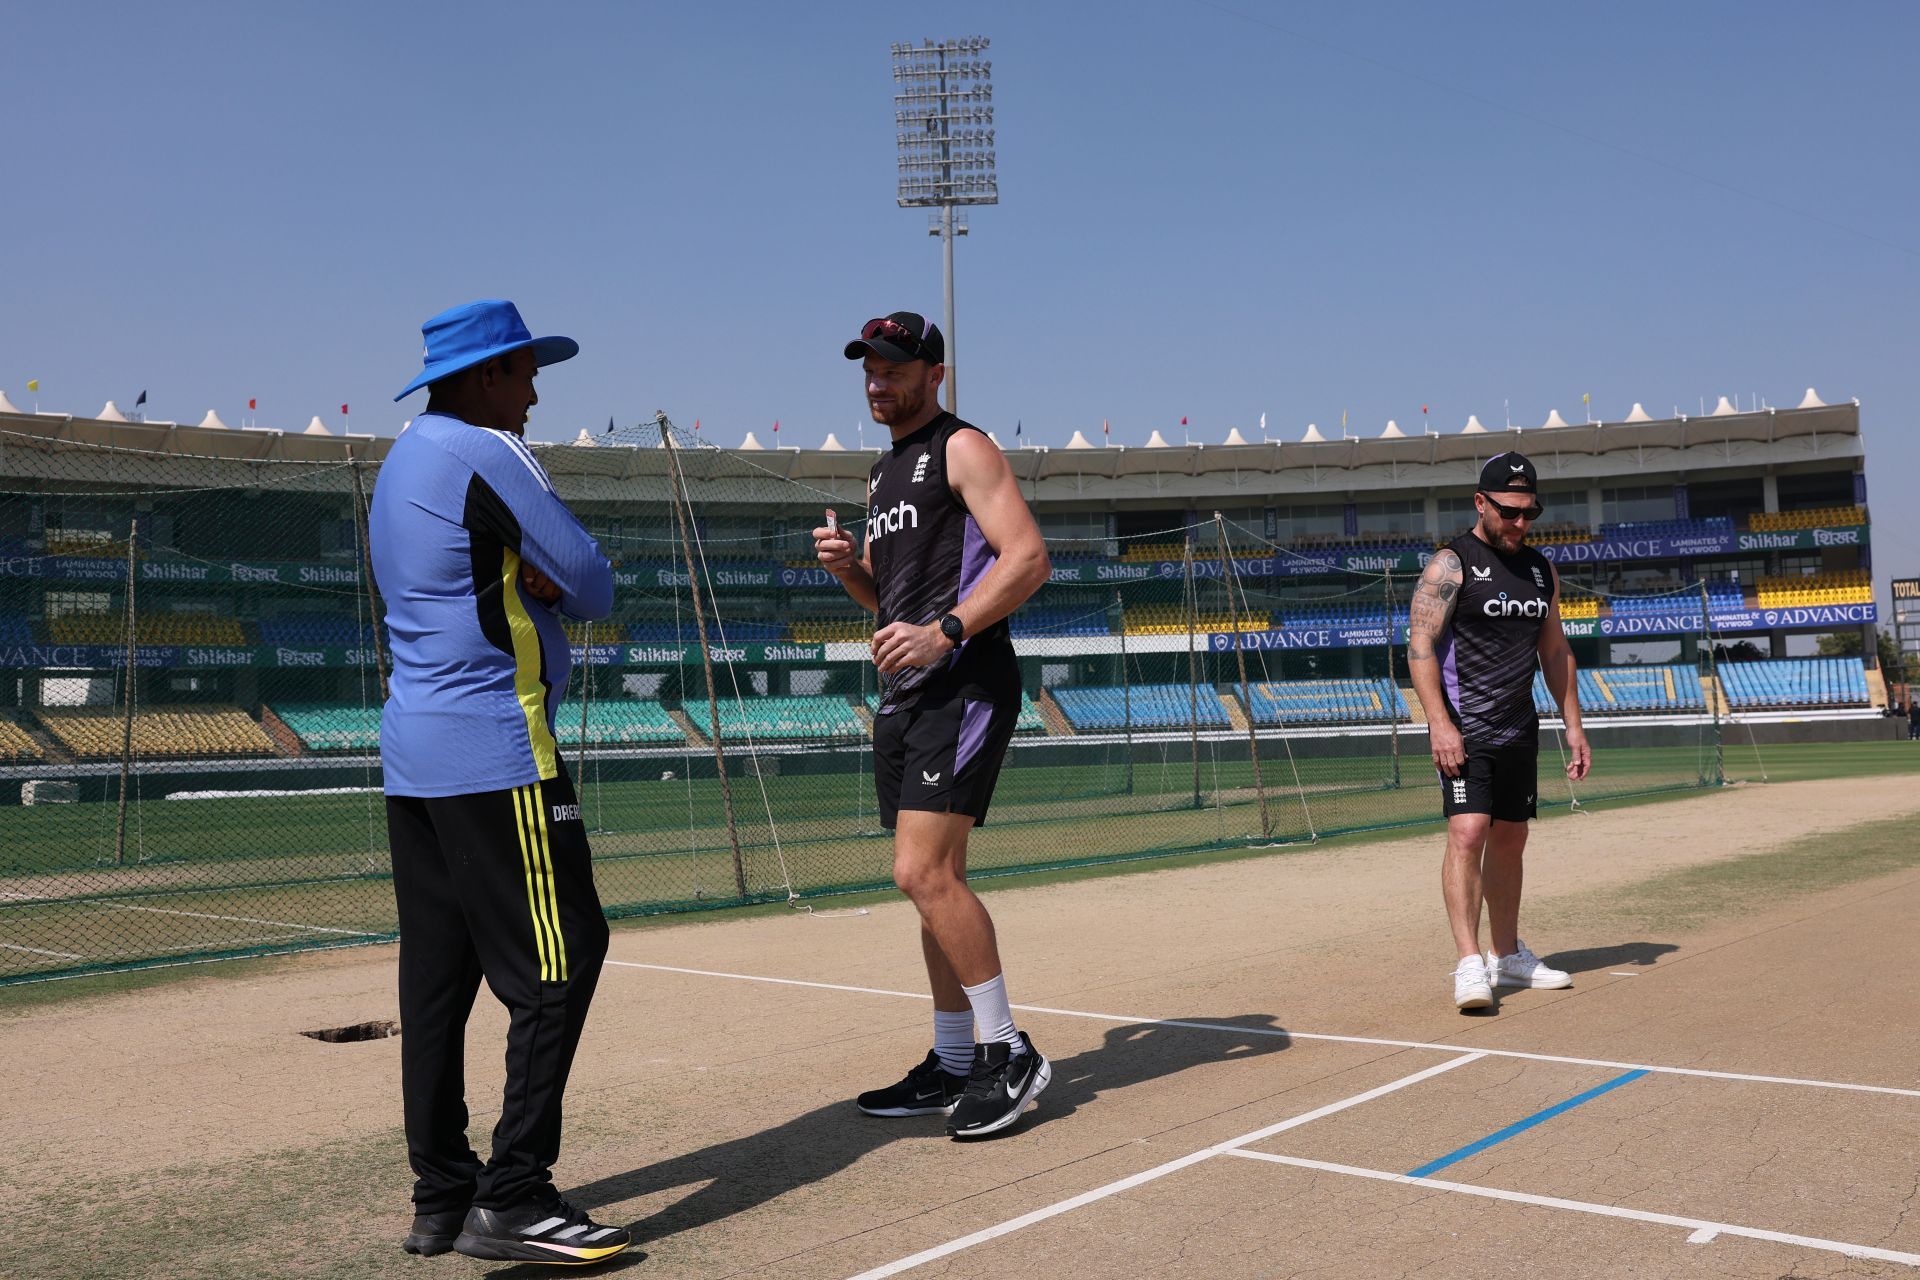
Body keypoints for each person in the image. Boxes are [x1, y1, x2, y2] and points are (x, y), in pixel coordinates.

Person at [370, 299, 629, 1263]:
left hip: (414, 761)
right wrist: (543, 572)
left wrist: (520, 570)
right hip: (498, 751)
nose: (532, 396)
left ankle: (441, 1193)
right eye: (524, 375)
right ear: (485, 377)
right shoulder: (489, 452)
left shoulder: (400, 461)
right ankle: (514, 1195)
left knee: (438, 981)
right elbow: (596, 582)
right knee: (562, 959)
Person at [813, 311, 1054, 1138]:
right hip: (909, 691)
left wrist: (945, 632)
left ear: (932, 371)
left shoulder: (964, 447)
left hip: (965, 682)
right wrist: (855, 572)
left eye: (893, 368)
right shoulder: (882, 476)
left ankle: (1007, 1051)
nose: (878, 382)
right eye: (869, 370)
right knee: (930, 882)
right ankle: (955, 1059)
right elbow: (893, 601)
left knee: (922, 872)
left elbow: (1027, 559)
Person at [1406, 451, 1591, 1011]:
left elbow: (1555, 648)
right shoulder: (1450, 565)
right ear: (1481, 503)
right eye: (1509, 512)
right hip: (1465, 725)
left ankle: (1506, 956)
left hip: (1518, 726)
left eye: (1528, 513)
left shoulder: (1541, 570)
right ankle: (1468, 963)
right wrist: (1439, 724)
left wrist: (1575, 725)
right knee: (1468, 832)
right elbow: (1419, 648)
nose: (1519, 523)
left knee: (1512, 838)